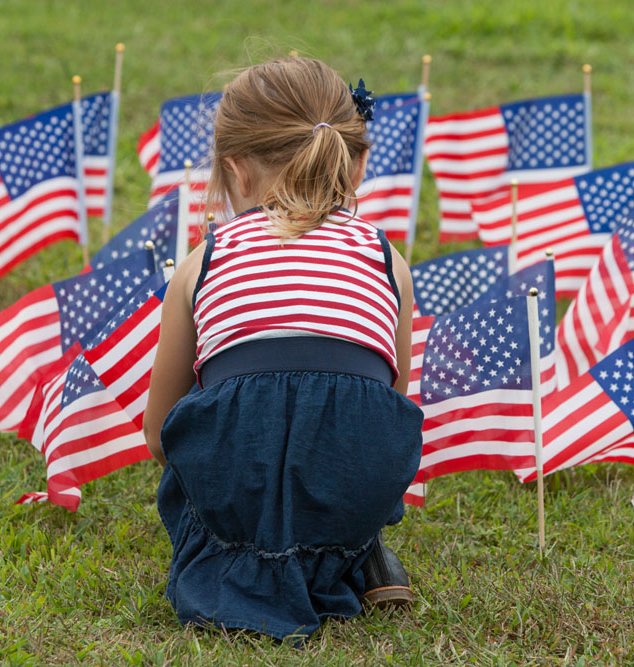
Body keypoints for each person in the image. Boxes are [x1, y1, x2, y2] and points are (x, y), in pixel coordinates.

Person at [143, 56, 424, 643]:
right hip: (356, 480)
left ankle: (240, 554)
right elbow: (388, 404)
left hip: (234, 494)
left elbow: (160, 429)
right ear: (358, 164)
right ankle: (353, 551)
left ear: (235, 171)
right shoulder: (385, 257)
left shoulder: (204, 260)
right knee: (341, 426)